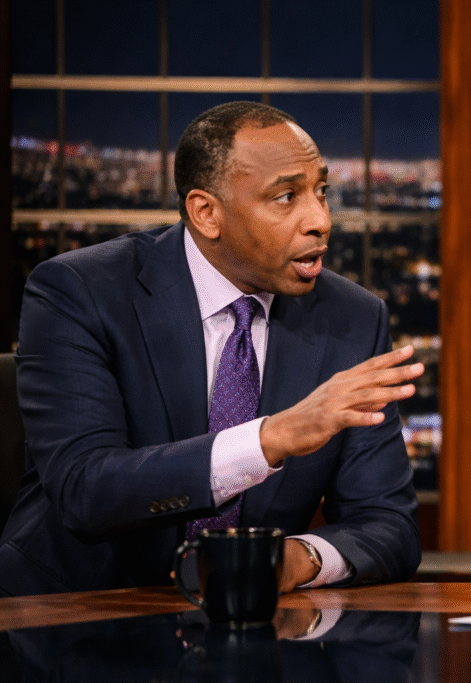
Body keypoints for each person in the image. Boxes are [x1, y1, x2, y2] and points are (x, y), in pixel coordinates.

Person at [0, 101, 424, 596]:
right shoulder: (80, 293)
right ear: (206, 213)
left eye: (322, 192)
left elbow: (389, 526)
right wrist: (271, 439)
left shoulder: (353, 319)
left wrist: (296, 559)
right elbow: (85, 490)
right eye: (287, 197)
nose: (321, 220)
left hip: (250, 637)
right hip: (68, 622)